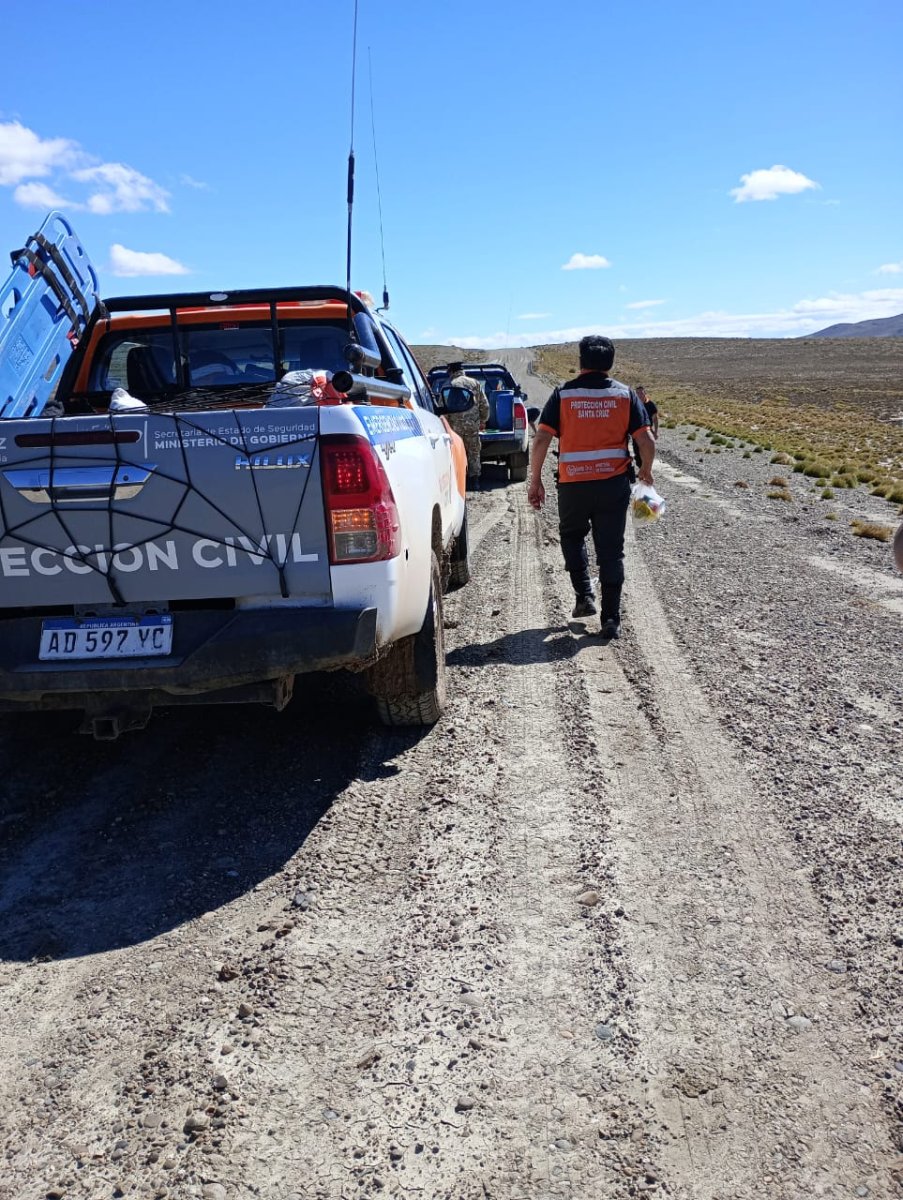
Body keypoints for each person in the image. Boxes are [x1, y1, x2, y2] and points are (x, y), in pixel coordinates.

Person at [527, 334, 655, 638]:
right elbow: (646, 440)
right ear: (610, 362)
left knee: (572, 536)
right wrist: (646, 471)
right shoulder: (625, 395)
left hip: (573, 484)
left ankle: (584, 594)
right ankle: (611, 619)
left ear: (581, 361)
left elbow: (542, 438)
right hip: (613, 485)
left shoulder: (563, 394)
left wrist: (535, 480)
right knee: (611, 550)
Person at [444, 361, 489, 490]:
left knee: (455, 452)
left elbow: (443, 407)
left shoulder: (449, 384)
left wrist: (445, 425)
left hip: (455, 427)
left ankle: (458, 481)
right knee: (474, 452)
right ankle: (475, 481)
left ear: (451, 371)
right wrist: (483, 420)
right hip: (472, 425)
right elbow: (484, 404)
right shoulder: (475, 383)